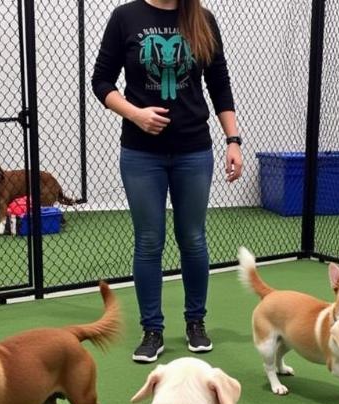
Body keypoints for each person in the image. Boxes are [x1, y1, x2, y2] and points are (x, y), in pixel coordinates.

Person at [92, 0, 242, 363]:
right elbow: (101, 81)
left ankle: (196, 323)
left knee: (192, 238)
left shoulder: (202, 19)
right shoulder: (126, 17)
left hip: (194, 150)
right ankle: (152, 330)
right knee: (148, 241)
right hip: (141, 153)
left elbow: (219, 83)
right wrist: (135, 114)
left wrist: (233, 140)